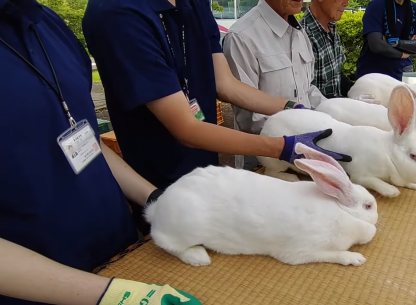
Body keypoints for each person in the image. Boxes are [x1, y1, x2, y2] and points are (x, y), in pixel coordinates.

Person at [0, 0, 202, 305]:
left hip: (125, 266)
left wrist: (156, 198)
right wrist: (110, 296)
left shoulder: (47, 24)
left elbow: (82, 140)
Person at [82, 0, 351, 228]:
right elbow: (186, 128)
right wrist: (281, 147)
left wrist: (293, 108)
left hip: (207, 169)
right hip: (158, 178)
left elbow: (226, 85)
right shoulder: (118, 14)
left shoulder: (194, 3)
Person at [221, 0, 329, 170]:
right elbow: (249, 117)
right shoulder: (242, 37)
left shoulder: (299, 32)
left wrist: (336, 119)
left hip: (309, 150)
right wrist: (299, 137)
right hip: (265, 162)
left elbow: (307, 90)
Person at [354, 0, 416, 82]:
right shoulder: (376, 5)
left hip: (402, 74)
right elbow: (376, 45)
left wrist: (396, 43)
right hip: (373, 76)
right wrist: (403, 53)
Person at [300, 0, 352, 98]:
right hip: (318, 110)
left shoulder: (331, 27)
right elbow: (307, 93)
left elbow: (336, 74)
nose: (346, 3)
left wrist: (354, 90)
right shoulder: (303, 35)